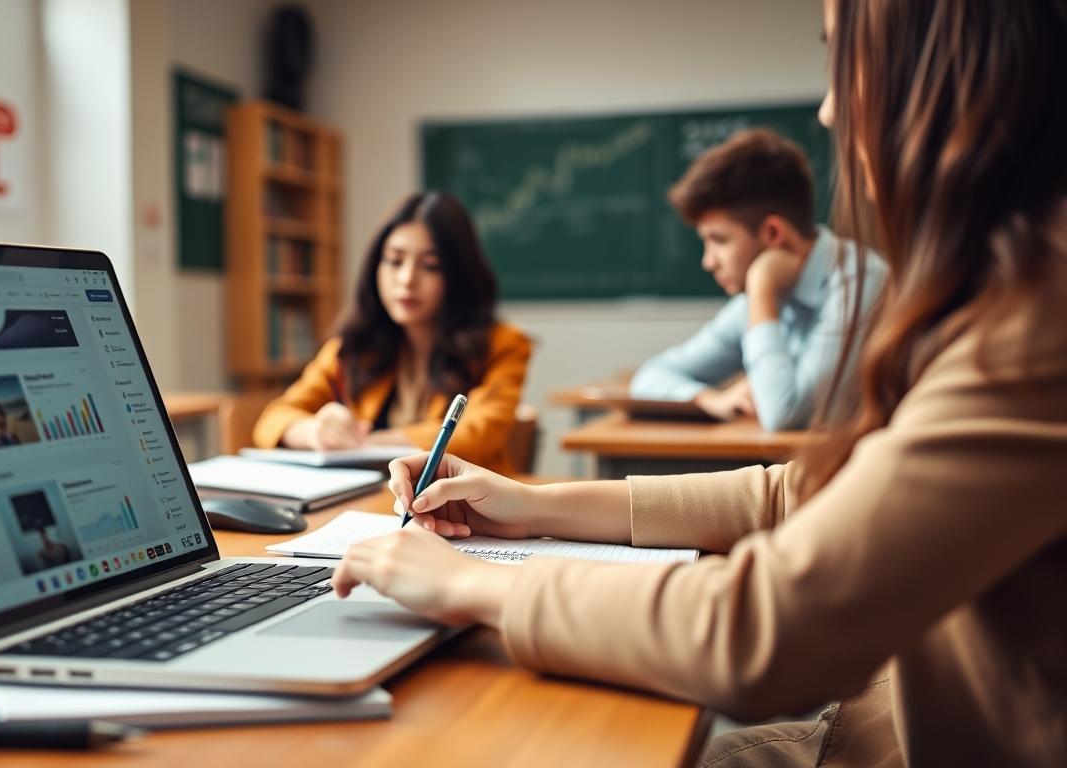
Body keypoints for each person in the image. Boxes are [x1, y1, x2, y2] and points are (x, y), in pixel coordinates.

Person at [331, 1, 1067, 765]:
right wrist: (531, 506)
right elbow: (800, 493)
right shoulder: (997, 291)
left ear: (940, 80)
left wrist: (478, 589)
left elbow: (768, 631)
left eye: (842, 58)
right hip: (876, 725)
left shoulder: (1032, 333)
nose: (826, 109)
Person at [253, 192, 532, 474]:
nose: (407, 279)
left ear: (459, 275)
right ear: (376, 266)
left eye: (431, 266)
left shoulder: (502, 345)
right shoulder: (351, 347)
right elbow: (273, 419)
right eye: (395, 261)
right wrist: (315, 432)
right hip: (370, 502)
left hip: (460, 507)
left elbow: (478, 435)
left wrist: (362, 444)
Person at [629, 128, 886, 431]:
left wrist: (761, 289)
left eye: (719, 240)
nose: (708, 262)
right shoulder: (748, 305)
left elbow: (785, 415)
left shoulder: (860, 283)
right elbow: (650, 376)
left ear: (773, 234)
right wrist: (708, 398)